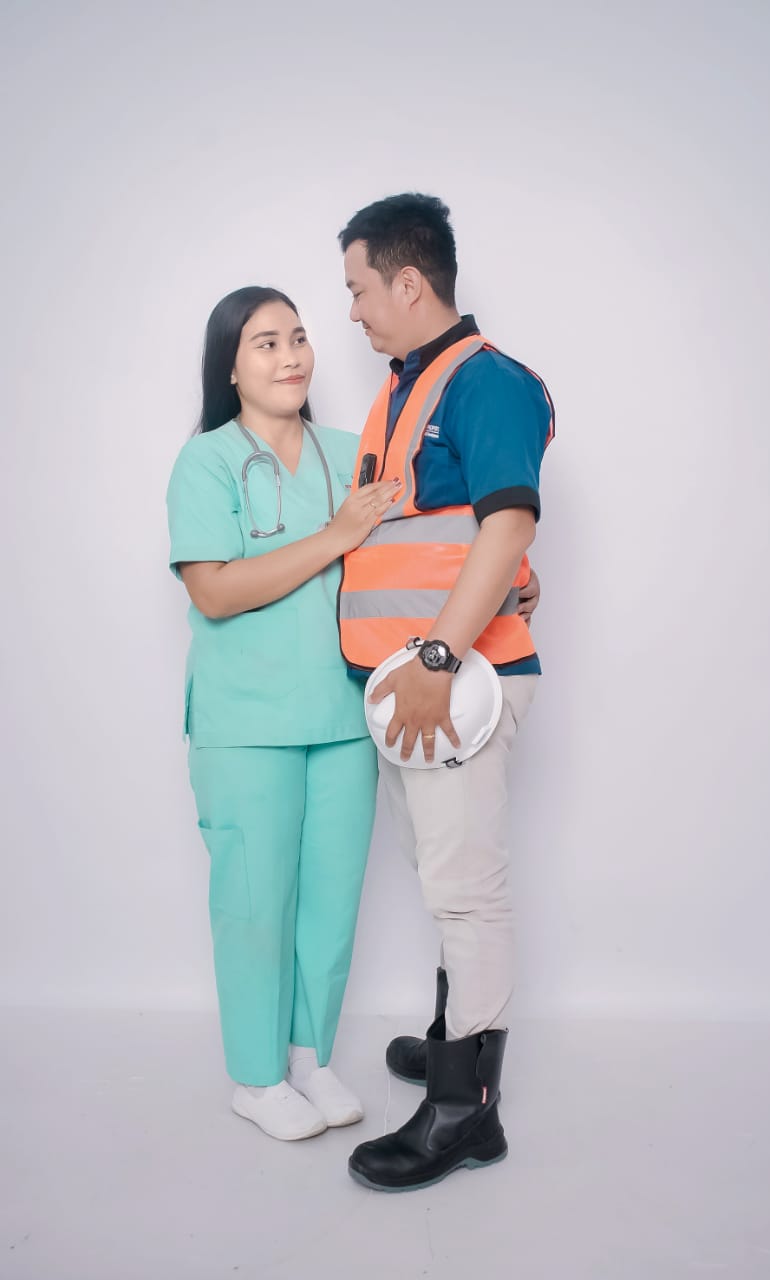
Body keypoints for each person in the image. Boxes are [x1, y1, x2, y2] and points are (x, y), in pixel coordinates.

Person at [336, 194, 554, 1192]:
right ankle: (452, 1038)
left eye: (358, 288)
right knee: (442, 879)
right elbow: (440, 539)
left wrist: (433, 661)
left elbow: (507, 527)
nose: (352, 310)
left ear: (409, 281)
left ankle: (466, 1113)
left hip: (456, 685)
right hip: (416, 688)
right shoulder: (406, 388)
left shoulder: (485, 382)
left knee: (467, 893)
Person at [166, 286, 400, 1141]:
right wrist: (335, 537)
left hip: (343, 715)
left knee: (331, 902)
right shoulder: (206, 463)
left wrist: (509, 579)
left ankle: (311, 1059)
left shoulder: (351, 453)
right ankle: (257, 1078)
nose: (291, 355)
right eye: (265, 343)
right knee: (255, 903)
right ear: (229, 366)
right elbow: (215, 590)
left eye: (298, 337)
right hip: (246, 723)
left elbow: (416, 547)